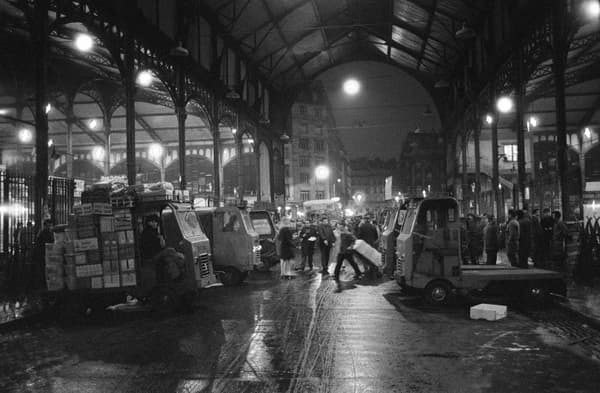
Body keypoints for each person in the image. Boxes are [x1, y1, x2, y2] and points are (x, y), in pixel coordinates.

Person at [333, 223, 362, 291]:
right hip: (342, 251)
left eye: (341, 227)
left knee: (352, 263)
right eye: (339, 227)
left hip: (347, 252)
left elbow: (354, 240)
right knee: (339, 264)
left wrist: (350, 246)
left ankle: (358, 273)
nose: (340, 228)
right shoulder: (341, 233)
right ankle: (336, 275)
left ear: (344, 227)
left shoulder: (348, 234)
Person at [34, 219, 55, 289]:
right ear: (45, 225)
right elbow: (47, 243)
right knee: (44, 270)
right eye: (49, 225)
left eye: (50, 226)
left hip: (43, 254)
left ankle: (44, 284)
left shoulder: (43, 232)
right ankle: (44, 285)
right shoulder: (44, 233)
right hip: (43, 254)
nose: (50, 227)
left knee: (44, 269)